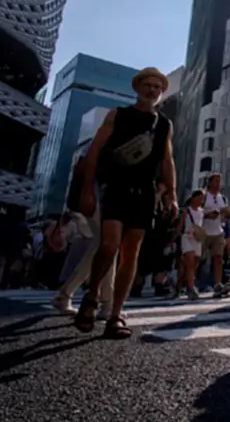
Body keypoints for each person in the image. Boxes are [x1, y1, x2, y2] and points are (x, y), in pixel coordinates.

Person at [74, 67, 176, 339]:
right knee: (109, 245)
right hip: (116, 186)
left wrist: (172, 194)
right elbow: (94, 150)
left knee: (131, 252)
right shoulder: (117, 115)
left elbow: (167, 160)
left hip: (145, 191)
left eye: (157, 87)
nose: (152, 90)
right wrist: (87, 189)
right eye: (148, 85)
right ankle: (92, 295)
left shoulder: (164, 124)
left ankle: (116, 314)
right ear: (137, 88)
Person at [52, 156, 115, 315]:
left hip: (96, 198)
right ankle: (107, 304)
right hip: (99, 198)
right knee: (108, 246)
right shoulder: (102, 151)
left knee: (103, 247)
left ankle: (67, 294)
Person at [131, 181, 177, 298]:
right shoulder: (149, 198)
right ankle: (137, 286)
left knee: (161, 263)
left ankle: (159, 285)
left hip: (162, 237)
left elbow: (172, 221)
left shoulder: (169, 204)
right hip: (148, 236)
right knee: (142, 263)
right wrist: (158, 194)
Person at [201, 173, 230, 298]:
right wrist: (207, 215)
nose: (218, 184)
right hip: (203, 231)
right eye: (216, 181)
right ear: (209, 183)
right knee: (198, 259)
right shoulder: (204, 196)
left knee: (218, 257)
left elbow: (226, 214)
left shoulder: (222, 198)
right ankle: (189, 283)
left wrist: (227, 215)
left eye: (220, 181)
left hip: (217, 231)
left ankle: (218, 284)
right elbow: (195, 212)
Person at [172, 190, 206, 300]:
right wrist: (173, 239)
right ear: (193, 198)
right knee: (190, 263)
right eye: (199, 198)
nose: (201, 201)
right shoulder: (187, 211)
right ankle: (191, 289)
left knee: (194, 264)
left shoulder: (202, 211)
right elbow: (180, 226)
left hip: (197, 239)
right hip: (187, 237)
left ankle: (180, 285)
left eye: (202, 199)